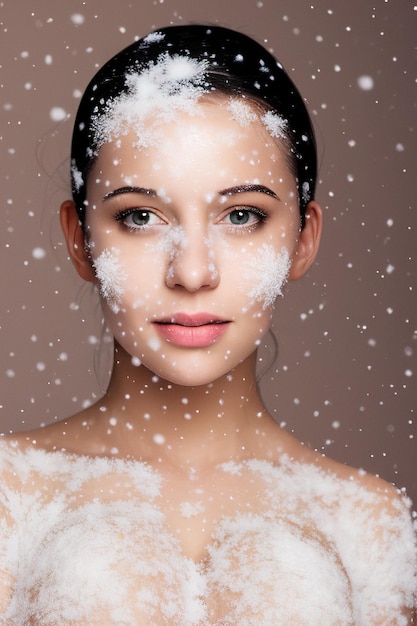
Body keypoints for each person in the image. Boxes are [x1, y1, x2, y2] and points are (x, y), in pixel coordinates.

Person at [0, 24, 415, 625]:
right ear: (80, 240)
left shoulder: (370, 522)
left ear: (302, 240)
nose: (192, 271)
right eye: (140, 216)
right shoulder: (10, 500)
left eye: (242, 215)